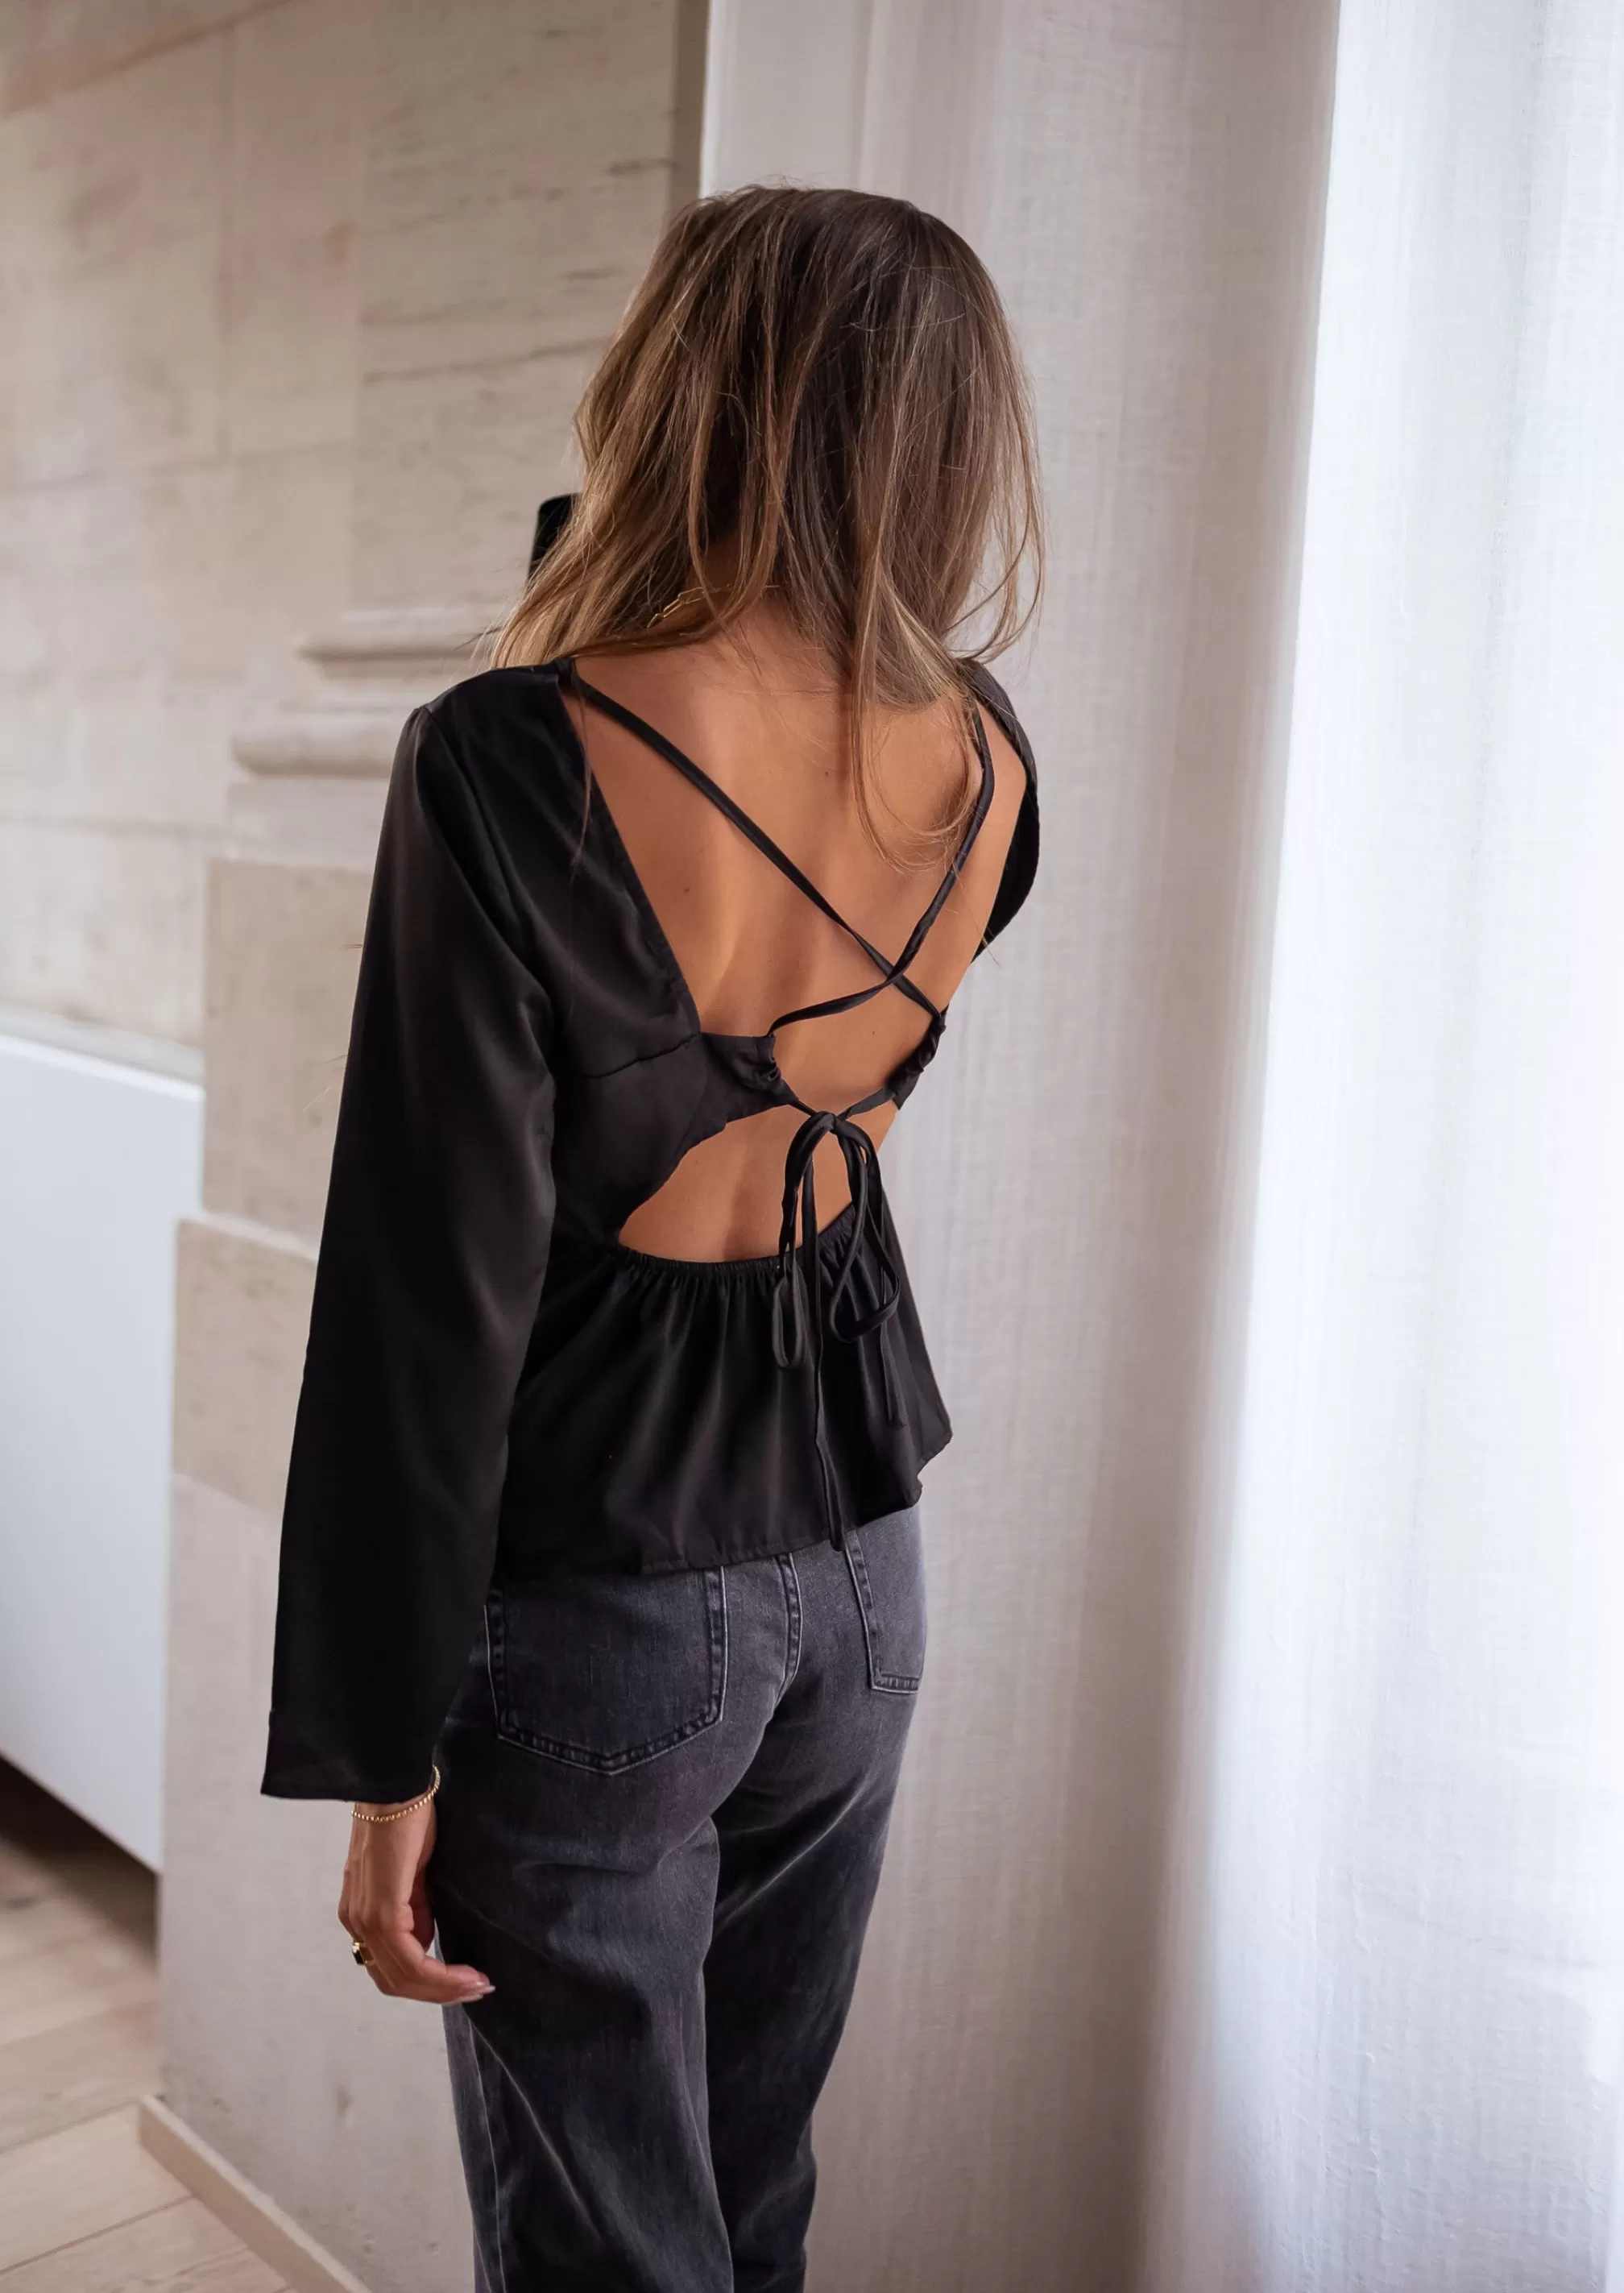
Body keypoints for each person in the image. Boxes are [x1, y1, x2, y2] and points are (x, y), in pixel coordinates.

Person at [260, 182, 1042, 2293]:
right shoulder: (983, 756)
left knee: (609, 2255)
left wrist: (384, 1760)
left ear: (671, 388)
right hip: (862, 1576)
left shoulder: (511, 754)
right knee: (743, 2202)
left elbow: (429, 1298)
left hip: (604, 1596)